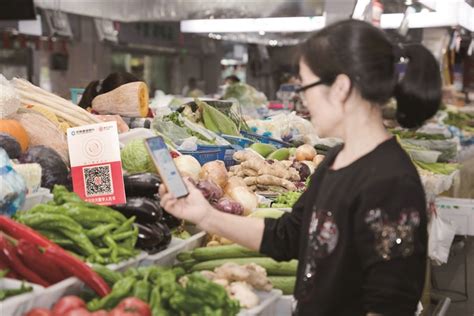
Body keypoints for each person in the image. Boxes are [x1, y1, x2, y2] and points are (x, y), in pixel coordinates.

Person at [160, 19, 441, 316]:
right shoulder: (336, 160)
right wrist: (204, 215)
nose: (303, 99)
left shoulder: (391, 182)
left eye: (306, 86)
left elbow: (390, 305)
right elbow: (288, 236)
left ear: (341, 88)